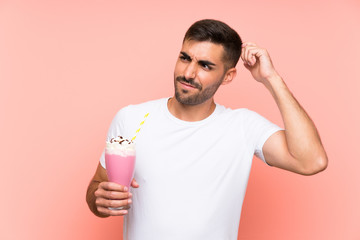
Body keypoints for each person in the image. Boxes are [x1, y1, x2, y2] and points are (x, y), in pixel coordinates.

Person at [86, 19, 328, 239]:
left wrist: (271, 78)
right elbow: (98, 188)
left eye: (205, 65)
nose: (188, 73)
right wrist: (100, 199)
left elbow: (312, 161)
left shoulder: (242, 126)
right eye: (184, 58)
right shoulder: (131, 118)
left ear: (228, 76)